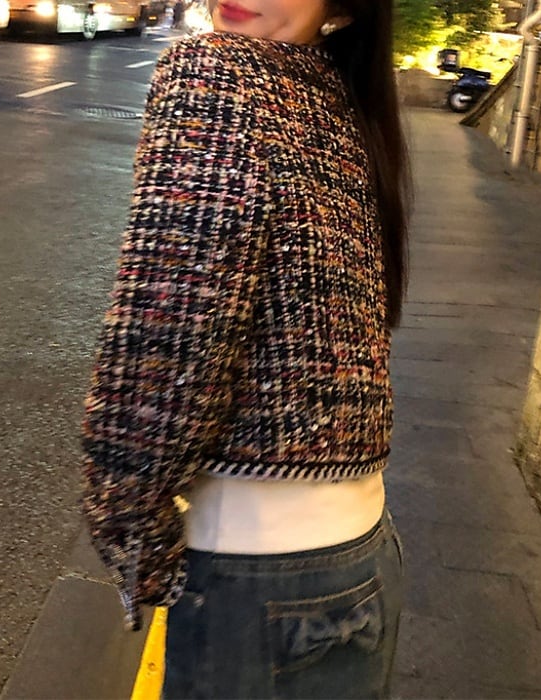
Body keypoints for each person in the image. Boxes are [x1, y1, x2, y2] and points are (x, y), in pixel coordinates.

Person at [81, 0, 411, 697]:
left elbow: (172, 328)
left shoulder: (215, 70)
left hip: (257, 579)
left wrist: (129, 515)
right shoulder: (341, 97)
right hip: (362, 557)